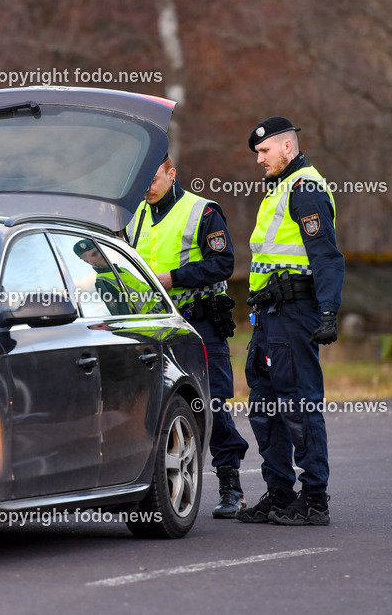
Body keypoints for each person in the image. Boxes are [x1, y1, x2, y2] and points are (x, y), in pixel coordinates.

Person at [235, 116, 344, 526]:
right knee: (264, 404)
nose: (259, 159)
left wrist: (329, 311)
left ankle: (315, 499)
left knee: (299, 404)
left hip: (296, 313)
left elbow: (327, 256)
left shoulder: (305, 189)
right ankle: (280, 493)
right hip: (269, 315)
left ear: (287, 146)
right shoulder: (278, 190)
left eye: (263, 151)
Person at [131, 156, 249, 519]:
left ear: (172, 174)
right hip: (153, 327)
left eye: (154, 179)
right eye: (143, 181)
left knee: (209, 403)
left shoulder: (202, 212)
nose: (148, 188)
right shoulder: (133, 214)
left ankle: (231, 486)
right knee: (150, 405)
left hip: (199, 324)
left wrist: (173, 277)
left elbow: (223, 262)